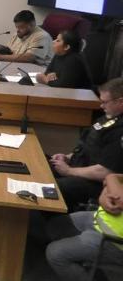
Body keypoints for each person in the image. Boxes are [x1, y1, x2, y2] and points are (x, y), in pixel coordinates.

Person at [46, 173, 123, 281]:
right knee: (56, 226)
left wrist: (111, 179)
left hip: (114, 240)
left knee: (56, 253)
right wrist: (104, 197)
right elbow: (109, 180)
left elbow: (119, 198)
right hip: (99, 218)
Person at [49, 77, 123, 211]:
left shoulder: (119, 130)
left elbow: (105, 171)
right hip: (81, 167)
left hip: (97, 184)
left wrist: (69, 171)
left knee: (54, 188)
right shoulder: (107, 118)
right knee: (44, 165)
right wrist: (68, 157)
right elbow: (88, 145)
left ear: (120, 102)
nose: (101, 106)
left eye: (105, 102)